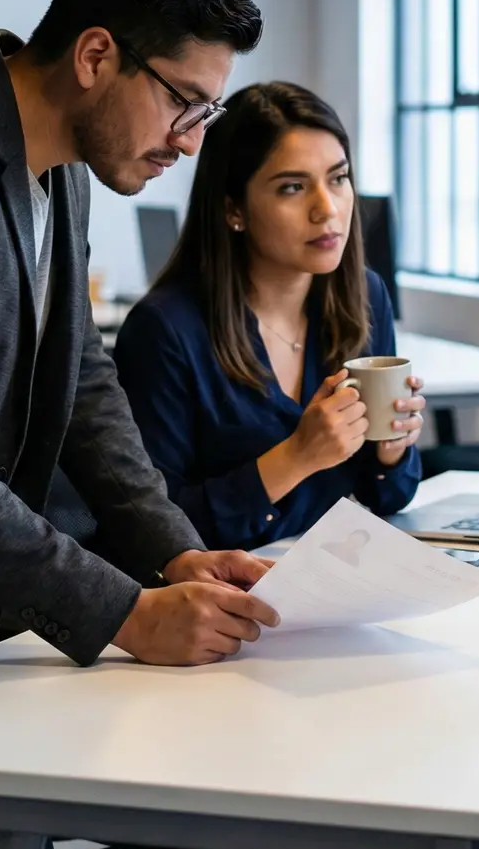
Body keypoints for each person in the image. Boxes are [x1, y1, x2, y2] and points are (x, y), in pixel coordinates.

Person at [0, 0, 280, 849]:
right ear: (98, 55)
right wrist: (127, 614)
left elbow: (86, 382)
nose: (191, 145)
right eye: (186, 104)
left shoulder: (66, 159)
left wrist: (177, 551)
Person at [115, 82, 425, 547]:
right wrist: (297, 456)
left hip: (331, 580)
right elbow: (153, 531)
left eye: (338, 179)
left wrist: (391, 451)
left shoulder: (364, 297)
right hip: (217, 596)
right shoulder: (165, 331)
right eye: (293, 188)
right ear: (234, 209)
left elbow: (388, 498)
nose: (327, 209)